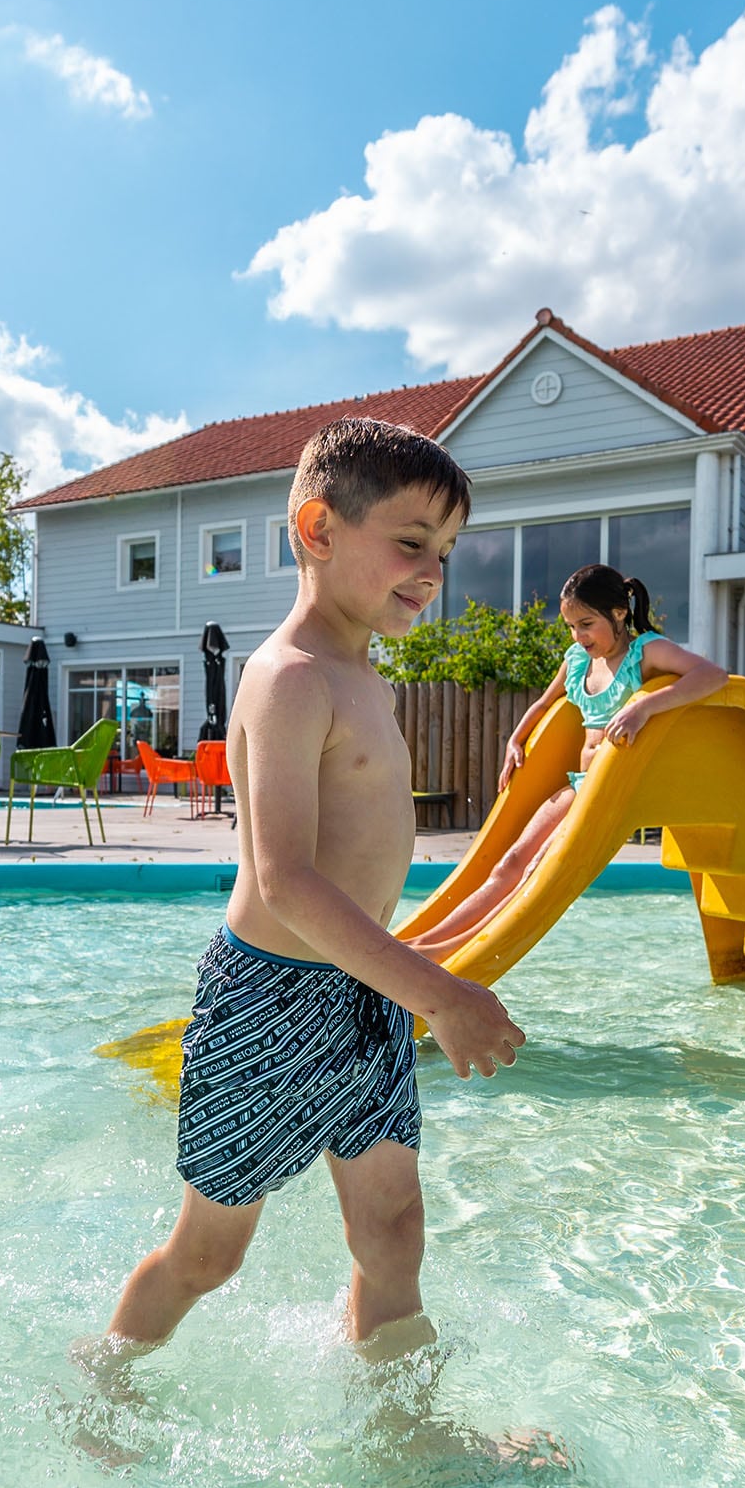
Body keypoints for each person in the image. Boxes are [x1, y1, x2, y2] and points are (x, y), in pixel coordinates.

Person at [94, 418, 529, 1374]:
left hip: (360, 994)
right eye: (412, 543)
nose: (433, 571)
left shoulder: (360, 672)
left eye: (446, 552)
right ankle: (106, 1375)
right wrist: (441, 992)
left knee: (393, 1228)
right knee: (210, 1255)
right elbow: (284, 880)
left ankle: (403, 1434)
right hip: (270, 999)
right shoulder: (290, 678)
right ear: (319, 529)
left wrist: (400, 986)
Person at [407, 565, 725, 962]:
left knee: (536, 872)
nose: (579, 636)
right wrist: (515, 740)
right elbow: (545, 703)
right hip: (579, 786)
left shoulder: (647, 652)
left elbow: (712, 676)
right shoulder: (577, 660)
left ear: (620, 612)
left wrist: (645, 705)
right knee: (511, 861)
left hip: (610, 792)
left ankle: (452, 949)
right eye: (572, 626)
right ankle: (427, 940)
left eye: (586, 624)